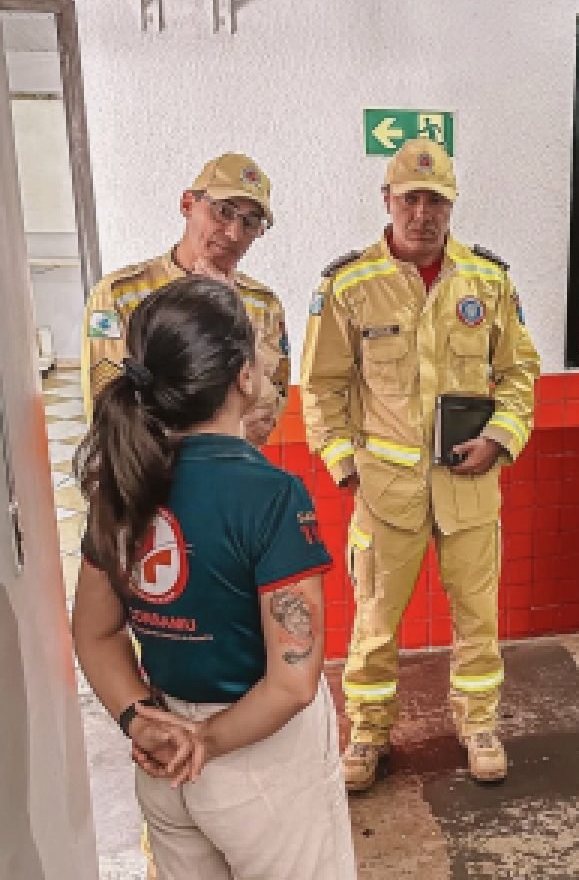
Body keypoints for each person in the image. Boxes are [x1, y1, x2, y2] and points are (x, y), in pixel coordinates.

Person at [71, 278, 355, 880]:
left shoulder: (119, 485)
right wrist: (205, 742)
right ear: (244, 376)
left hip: (162, 755)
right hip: (261, 760)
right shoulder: (270, 495)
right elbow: (293, 683)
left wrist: (141, 720)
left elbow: (93, 633)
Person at [300, 138, 540, 791]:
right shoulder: (350, 285)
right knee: (375, 624)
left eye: (437, 201)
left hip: (469, 488)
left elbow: (519, 374)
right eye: (411, 199)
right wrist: (344, 464)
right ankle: (368, 734)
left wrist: (500, 439)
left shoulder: (487, 281)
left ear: (451, 206)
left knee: (478, 620)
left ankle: (479, 725)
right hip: (386, 492)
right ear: (388, 200)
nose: (423, 213)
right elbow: (321, 386)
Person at [81, 152, 289, 445]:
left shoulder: (262, 305)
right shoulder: (121, 295)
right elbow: (111, 411)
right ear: (188, 204)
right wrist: (226, 430)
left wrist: (233, 310)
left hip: (233, 468)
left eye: (250, 222)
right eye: (223, 211)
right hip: (150, 469)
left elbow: (266, 413)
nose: (234, 233)